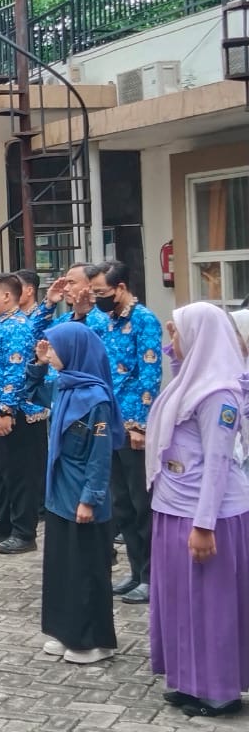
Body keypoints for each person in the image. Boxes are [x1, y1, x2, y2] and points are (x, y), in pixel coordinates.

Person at [145, 302, 249, 718]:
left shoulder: (219, 393)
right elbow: (180, 384)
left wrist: (204, 525)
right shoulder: (192, 382)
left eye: (178, 332)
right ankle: (188, 680)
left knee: (210, 604)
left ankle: (219, 690)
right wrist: (176, 351)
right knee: (180, 601)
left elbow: (219, 462)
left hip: (207, 515)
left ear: (200, 336)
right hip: (174, 507)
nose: (172, 340)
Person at [30, 323, 124, 665]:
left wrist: (90, 498)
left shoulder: (96, 398)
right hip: (59, 492)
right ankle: (65, 631)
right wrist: (38, 365)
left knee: (86, 568)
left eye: (55, 347)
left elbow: (100, 455)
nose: (51, 351)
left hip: (82, 494)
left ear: (74, 350)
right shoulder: (64, 386)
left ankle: (92, 641)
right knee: (62, 566)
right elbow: (31, 393)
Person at [90, 259, 162, 606]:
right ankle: (135, 571)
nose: (98, 298)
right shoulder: (104, 320)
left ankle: (151, 576)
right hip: (109, 420)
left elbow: (149, 374)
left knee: (141, 503)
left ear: (120, 288)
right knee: (120, 503)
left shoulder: (144, 320)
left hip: (133, 425)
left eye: (102, 292)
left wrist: (139, 425)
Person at [0, 273, 41, 556]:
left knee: (19, 475)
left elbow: (17, 372)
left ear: (6, 296)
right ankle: (1, 522)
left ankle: (24, 532)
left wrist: (6, 409)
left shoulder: (17, 327)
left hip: (15, 414)